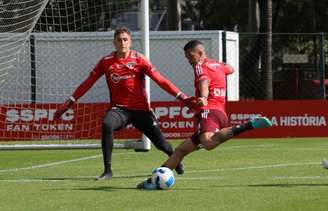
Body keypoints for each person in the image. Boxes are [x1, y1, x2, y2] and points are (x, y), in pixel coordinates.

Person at [54, 27, 193, 180]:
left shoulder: (139, 59)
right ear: (114, 42)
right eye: (119, 40)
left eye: (125, 39)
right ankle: (107, 171)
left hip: (141, 110)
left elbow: (161, 80)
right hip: (119, 109)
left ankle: (175, 159)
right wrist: (69, 103)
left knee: (161, 144)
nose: (122, 42)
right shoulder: (106, 62)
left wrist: (182, 97)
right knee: (107, 124)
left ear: (130, 42)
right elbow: (88, 83)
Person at [137, 39, 273, 189]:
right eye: (187, 56)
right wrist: (218, 65)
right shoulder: (218, 65)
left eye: (190, 55)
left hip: (210, 111)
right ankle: (153, 181)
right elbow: (231, 69)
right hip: (220, 114)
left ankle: (250, 124)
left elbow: (204, 81)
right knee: (181, 150)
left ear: (200, 53)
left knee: (207, 142)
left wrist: (203, 96)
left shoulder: (200, 66)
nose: (189, 60)